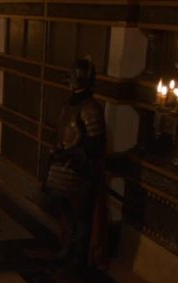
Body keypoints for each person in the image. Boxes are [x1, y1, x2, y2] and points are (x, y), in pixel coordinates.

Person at [44, 57, 108, 270]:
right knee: (63, 210)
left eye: (72, 75)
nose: (69, 78)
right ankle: (67, 248)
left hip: (80, 171)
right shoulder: (70, 104)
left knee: (81, 218)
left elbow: (94, 144)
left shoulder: (90, 108)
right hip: (63, 166)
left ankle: (79, 259)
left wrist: (73, 155)